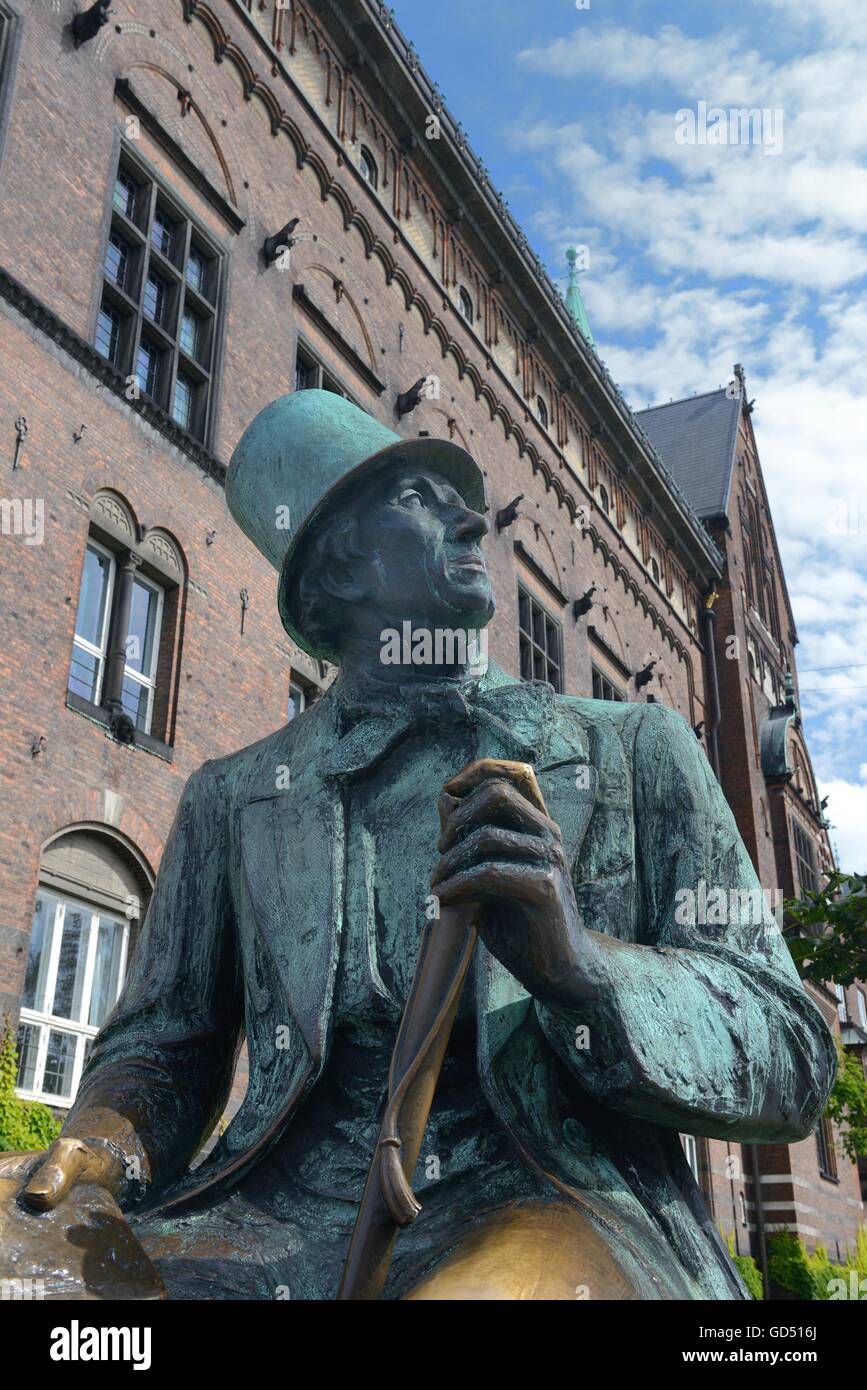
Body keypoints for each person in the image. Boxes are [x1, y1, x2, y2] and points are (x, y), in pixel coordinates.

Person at [1, 390, 835, 1300]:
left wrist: (579, 968)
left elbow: (791, 1053)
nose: (471, 519)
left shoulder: (637, 753)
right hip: (268, 1219)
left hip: (546, 1206)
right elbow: (168, 1040)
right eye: (418, 500)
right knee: (38, 1283)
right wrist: (101, 1144)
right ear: (336, 574)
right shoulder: (230, 797)